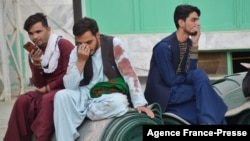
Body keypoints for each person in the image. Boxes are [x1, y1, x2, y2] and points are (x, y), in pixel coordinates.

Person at [53, 17, 155, 141]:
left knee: (119, 102)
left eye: (89, 42)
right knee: (61, 96)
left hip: (108, 95)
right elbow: (69, 86)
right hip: (85, 94)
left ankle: (86, 112)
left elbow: (129, 73)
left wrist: (139, 103)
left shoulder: (114, 44)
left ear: (97, 35)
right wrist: (81, 61)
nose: (85, 47)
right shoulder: (77, 52)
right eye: (80, 43)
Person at [144, 4, 228, 125]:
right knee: (203, 86)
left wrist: (195, 44)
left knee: (210, 110)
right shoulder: (163, 47)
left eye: (198, 19)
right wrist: (193, 81)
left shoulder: (189, 43)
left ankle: (209, 122)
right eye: (193, 20)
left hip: (181, 91)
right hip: (166, 95)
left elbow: (191, 71)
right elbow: (170, 80)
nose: (198, 24)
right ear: (181, 23)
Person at [4, 13, 74, 141]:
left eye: (38, 31)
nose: (35, 37)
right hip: (47, 90)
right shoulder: (34, 53)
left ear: (48, 29)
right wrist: (37, 65)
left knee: (47, 99)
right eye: (31, 34)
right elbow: (38, 84)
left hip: (65, 89)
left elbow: (70, 74)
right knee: (22, 100)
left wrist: (49, 87)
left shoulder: (63, 45)